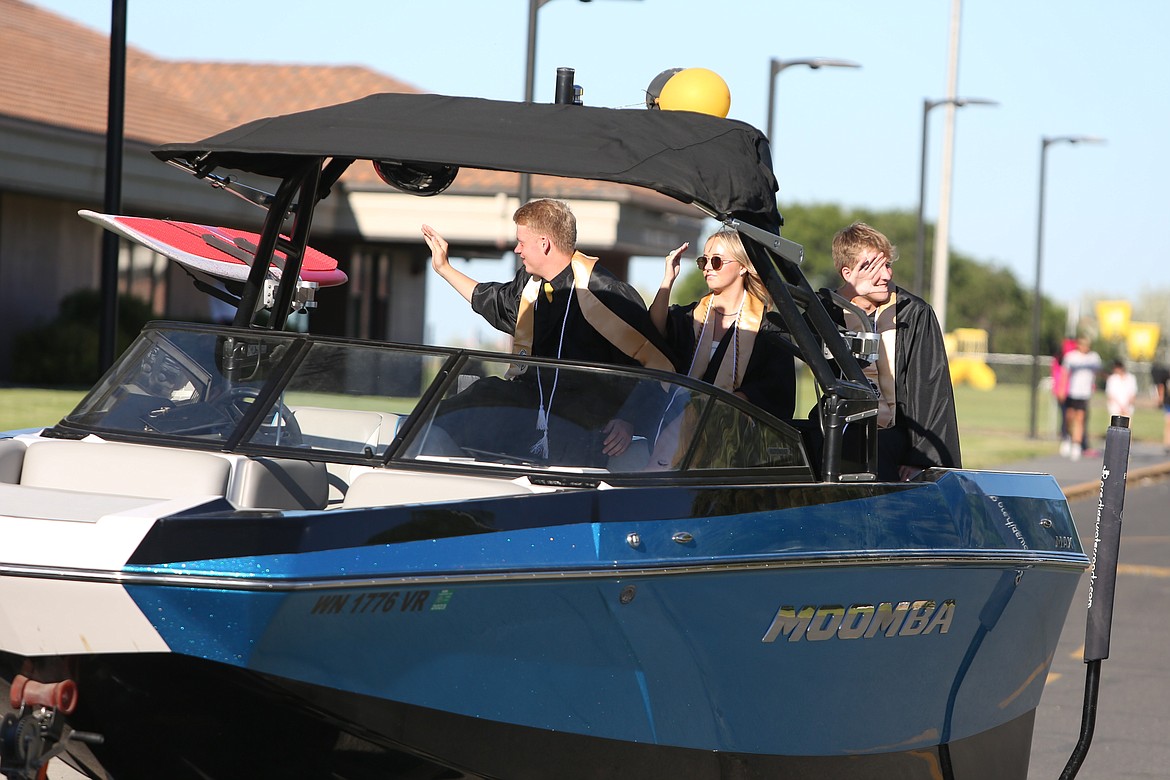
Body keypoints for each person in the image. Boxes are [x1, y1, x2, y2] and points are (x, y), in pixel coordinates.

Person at [421, 199, 674, 466]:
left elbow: (656, 365)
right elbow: (494, 301)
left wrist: (629, 419)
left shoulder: (603, 294)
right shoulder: (531, 286)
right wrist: (444, 269)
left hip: (585, 426)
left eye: (521, 241)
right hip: (534, 411)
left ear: (544, 243)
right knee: (471, 403)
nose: (517, 249)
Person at [822, 222, 962, 481]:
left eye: (886, 265)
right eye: (872, 268)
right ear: (847, 272)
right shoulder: (824, 312)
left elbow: (930, 389)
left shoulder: (913, 313)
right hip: (836, 430)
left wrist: (922, 460)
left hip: (895, 437)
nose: (886, 276)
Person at [649, 228, 796, 420]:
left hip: (735, 433)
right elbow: (654, 329)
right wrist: (668, 279)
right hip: (677, 428)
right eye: (704, 261)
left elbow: (777, 389)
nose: (708, 267)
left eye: (716, 261)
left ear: (743, 267)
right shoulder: (691, 316)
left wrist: (734, 401)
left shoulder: (769, 327)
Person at [1060, 336, 1101, 461]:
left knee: (1080, 418)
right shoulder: (1071, 357)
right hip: (1073, 392)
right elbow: (1065, 373)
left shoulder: (1094, 358)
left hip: (1084, 393)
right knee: (1070, 416)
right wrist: (1062, 388)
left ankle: (1077, 445)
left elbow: (1098, 372)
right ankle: (1067, 437)